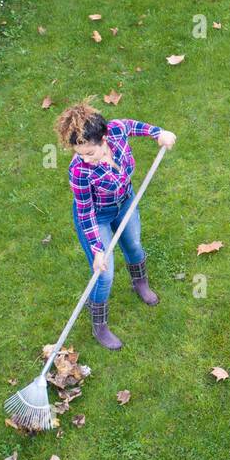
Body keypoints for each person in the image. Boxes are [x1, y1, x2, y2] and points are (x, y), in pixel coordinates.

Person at [53, 100, 176, 349]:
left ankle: (139, 283)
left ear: (104, 139)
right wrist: (98, 249)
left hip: (126, 202)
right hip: (96, 216)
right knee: (104, 274)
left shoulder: (116, 131)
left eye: (90, 152)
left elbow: (132, 125)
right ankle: (100, 326)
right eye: (80, 154)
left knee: (134, 246)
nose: (85, 159)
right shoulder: (79, 171)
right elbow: (85, 210)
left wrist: (158, 133)